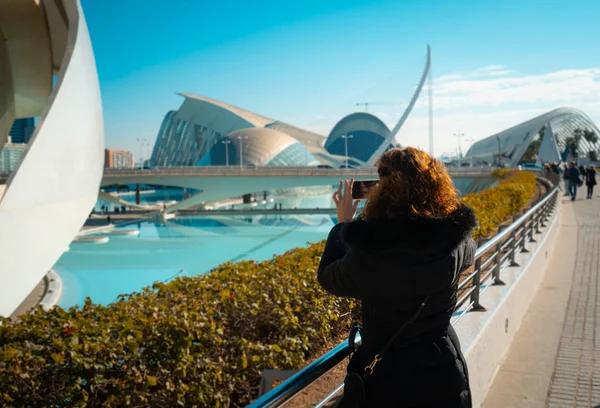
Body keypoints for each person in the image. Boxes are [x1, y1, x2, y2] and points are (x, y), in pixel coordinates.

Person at [319, 147, 475, 408]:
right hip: (443, 369)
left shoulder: (372, 253)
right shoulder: (457, 239)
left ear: (384, 192)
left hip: (388, 378)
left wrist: (343, 225)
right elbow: (465, 254)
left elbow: (329, 276)